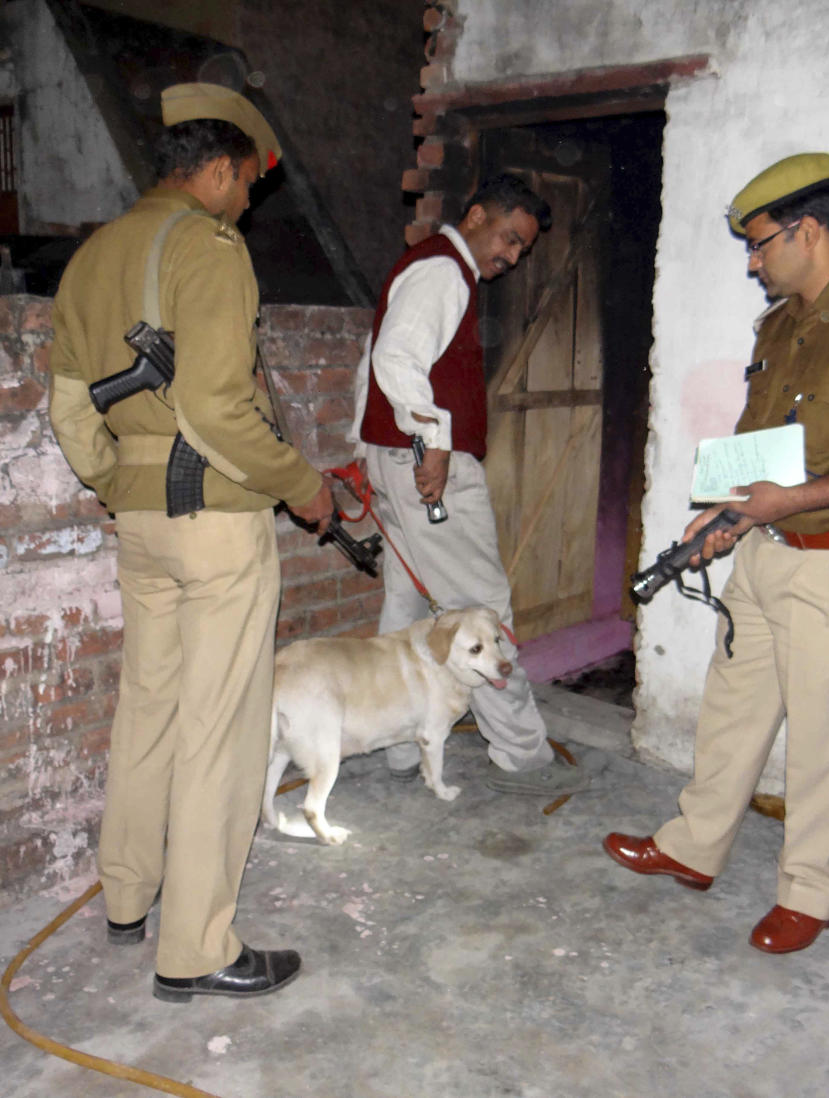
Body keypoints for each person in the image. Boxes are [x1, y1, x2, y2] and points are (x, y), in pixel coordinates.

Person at [603, 152, 829, 953]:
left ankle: (812, 893)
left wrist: (782, 503)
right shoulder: (781, 323)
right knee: (733, 707)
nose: (753, 261)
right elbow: (761, 445)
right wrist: (723, 514)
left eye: (761, 244)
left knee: (826, 732)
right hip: (764, 546)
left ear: (808, 230)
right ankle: (695, 847)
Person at [49, 82, 334, 1001]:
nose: (247, 203)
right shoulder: (210, 248)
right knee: (221, 729)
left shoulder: (92, 255)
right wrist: (303, 486)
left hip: (139, 519)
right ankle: (198, 949)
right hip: (215, 522)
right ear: (216, 171)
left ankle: (127, 900)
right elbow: (216, 406)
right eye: (245, 184)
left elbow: (68, 409)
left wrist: (116, 480)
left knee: (149, 711)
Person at [348, 173, 587, 796]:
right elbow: (395, 359)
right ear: (476, 215)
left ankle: (399, 743)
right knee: (484, 606)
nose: (510, 256)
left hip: (396, 460)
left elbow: (375, 357)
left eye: (521, 250)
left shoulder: (430, 266)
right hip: (425, 467)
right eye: (508, 238)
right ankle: (521, 752)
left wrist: (372, 447)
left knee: (406, 607)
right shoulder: (443, 271)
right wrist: (432, 442)